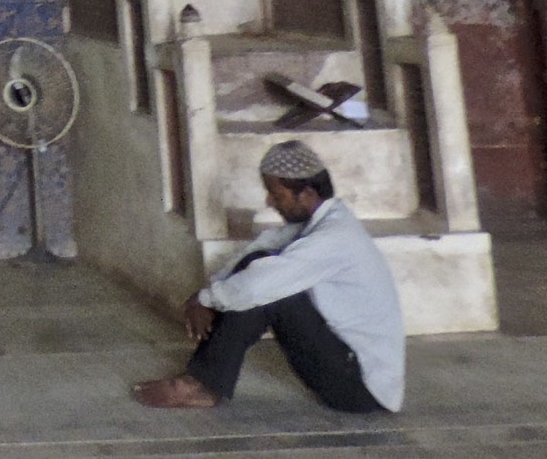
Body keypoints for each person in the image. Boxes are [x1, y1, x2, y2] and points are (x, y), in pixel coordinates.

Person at [134, 139, 404, 414]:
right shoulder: (322, 222)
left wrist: (207, 298)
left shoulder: (335, 237)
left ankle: (203, 384)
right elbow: (258, 250)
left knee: (268, 290)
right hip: (346, 364)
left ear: (307, 194)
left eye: (276, 194)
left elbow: (258, 285)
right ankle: (204, 379)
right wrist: (208, 296)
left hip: (360, 388)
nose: (270, 202)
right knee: (259, 269)